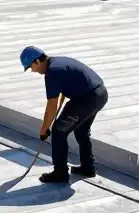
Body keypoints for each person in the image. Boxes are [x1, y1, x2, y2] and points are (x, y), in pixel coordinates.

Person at [21, 46, 108, 184]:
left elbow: (51, 106)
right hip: (100, 94)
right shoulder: (57, 62)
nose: (33, 70)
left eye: (31, 67)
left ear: (37, 61)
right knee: (81, 131)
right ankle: (88, 168)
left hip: (86, 99)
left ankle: (60, 173)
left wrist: (44, 128)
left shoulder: (52, 72)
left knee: (58, 132)